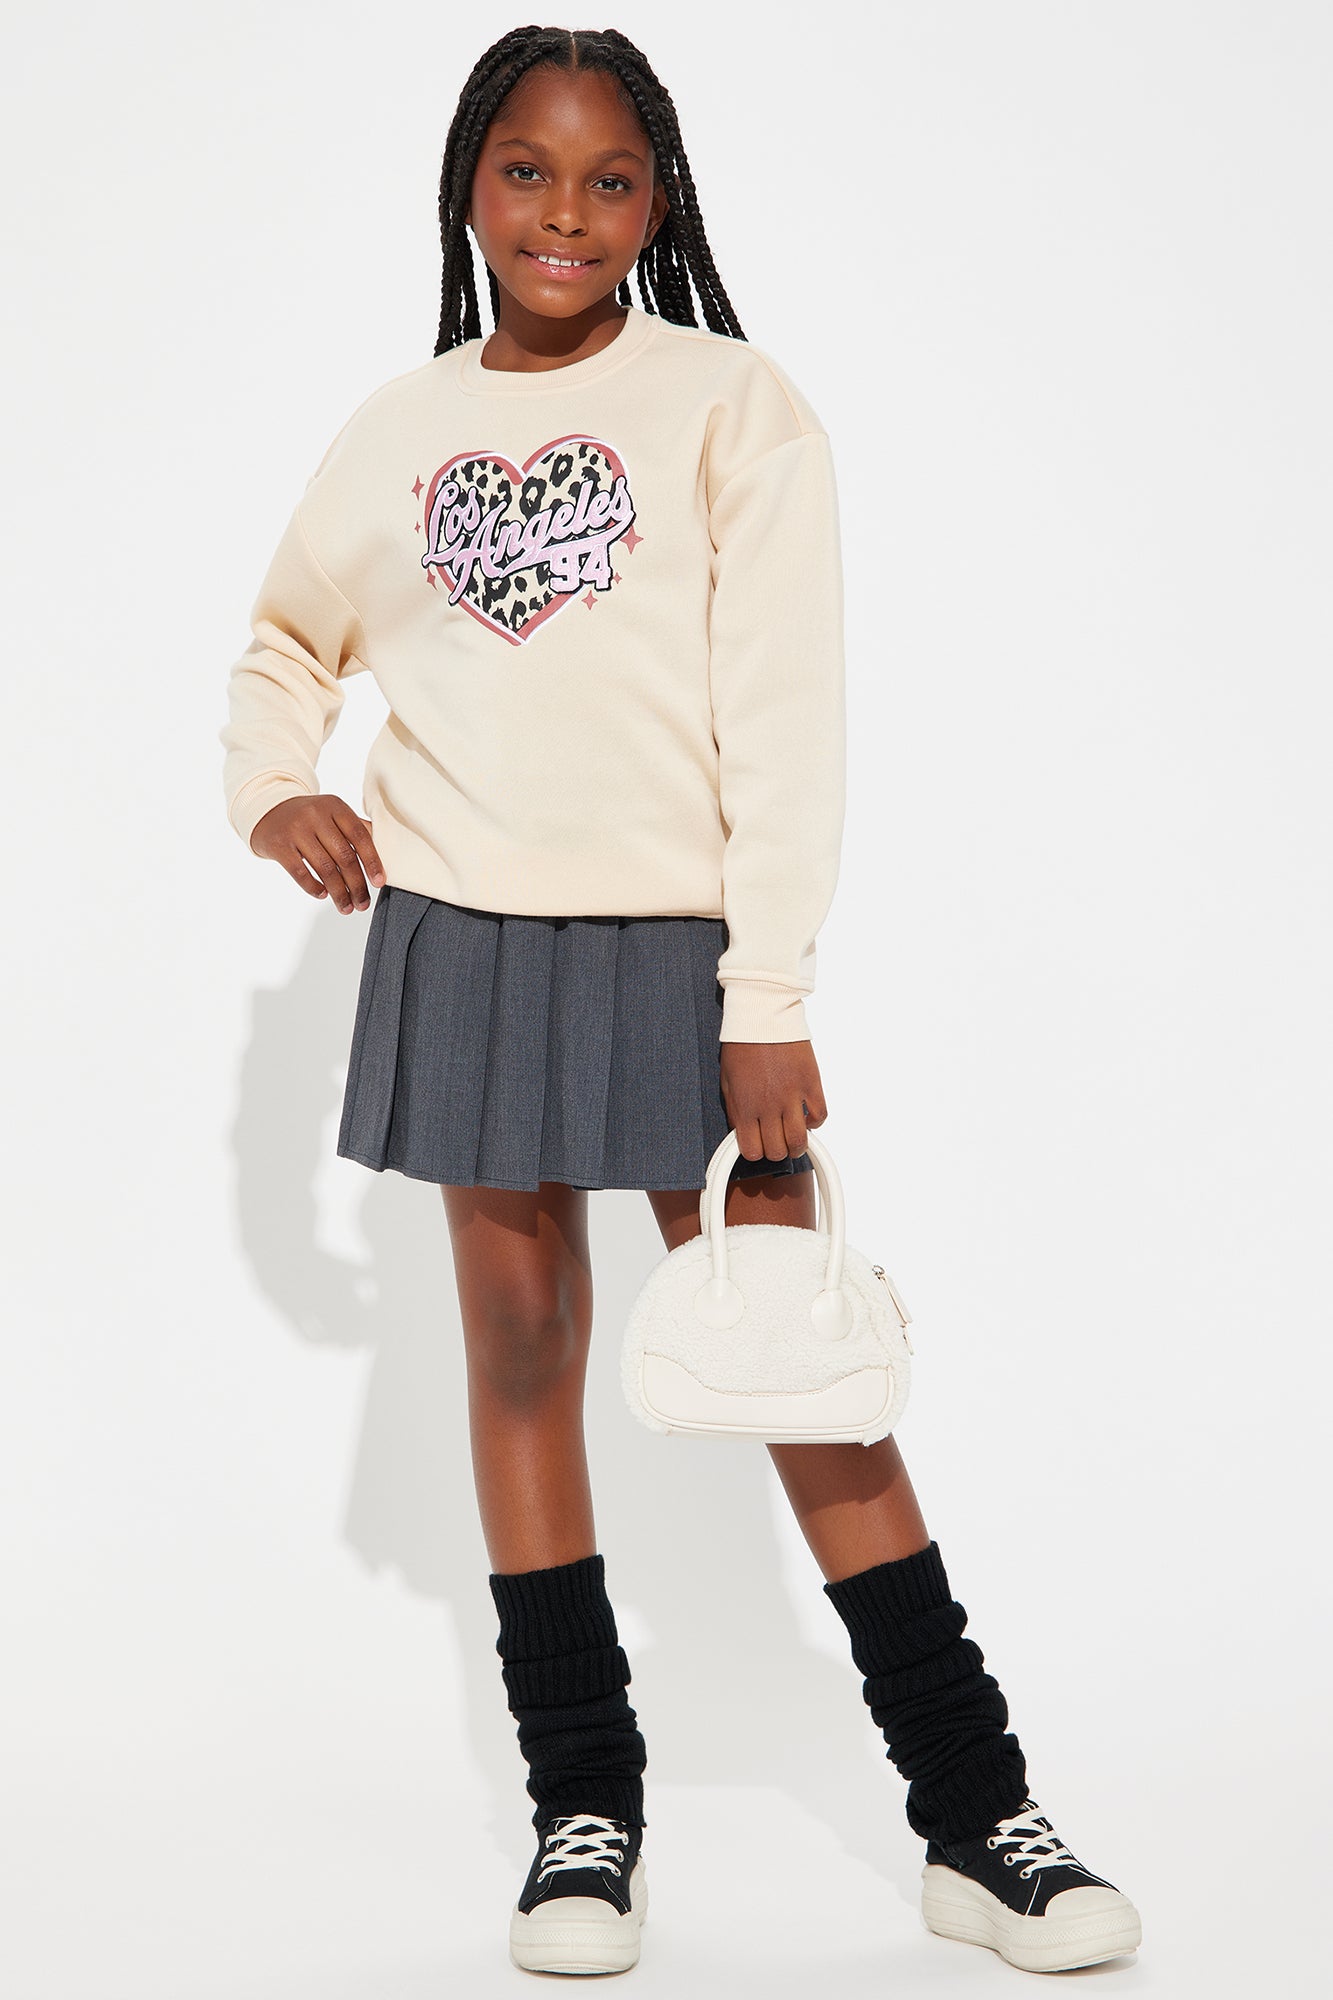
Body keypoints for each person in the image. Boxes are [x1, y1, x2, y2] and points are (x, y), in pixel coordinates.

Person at [219, 23, 1141, 1981]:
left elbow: (784, 712)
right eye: (528, 170)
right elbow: (287, 638)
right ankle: (586, 1808)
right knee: (520, 1346)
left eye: (609, 178)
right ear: (469, 185)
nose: (565, 212)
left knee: (795, 1355)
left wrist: (767, 987)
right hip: (462, 931)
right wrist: (275, 785)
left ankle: (974, 1809)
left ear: (660, 204)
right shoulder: (396, 426)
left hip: (681, 952)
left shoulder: (731, 404)